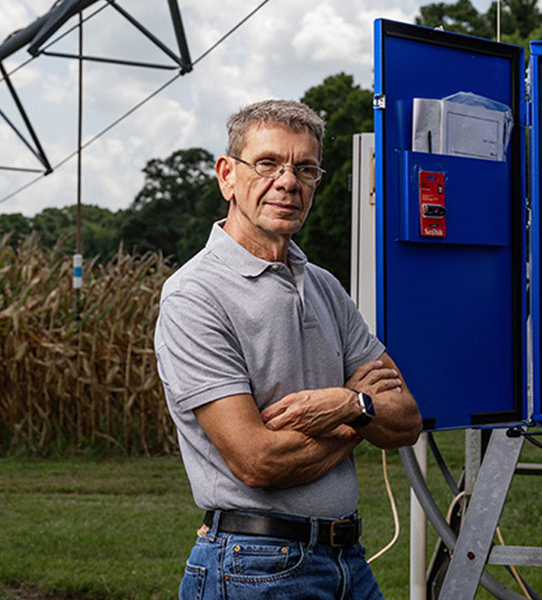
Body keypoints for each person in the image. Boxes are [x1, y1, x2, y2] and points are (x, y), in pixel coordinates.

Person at [154, 99, 422, 599]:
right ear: (227, 176)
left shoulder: (324, 287)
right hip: (255, 567)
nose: (288, 182)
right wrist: (363, 416)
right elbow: (259, 461)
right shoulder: (196, 296)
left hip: (348, 561)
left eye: (305, 168)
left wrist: (346, 404)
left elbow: (406, 421)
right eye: (268, 164)